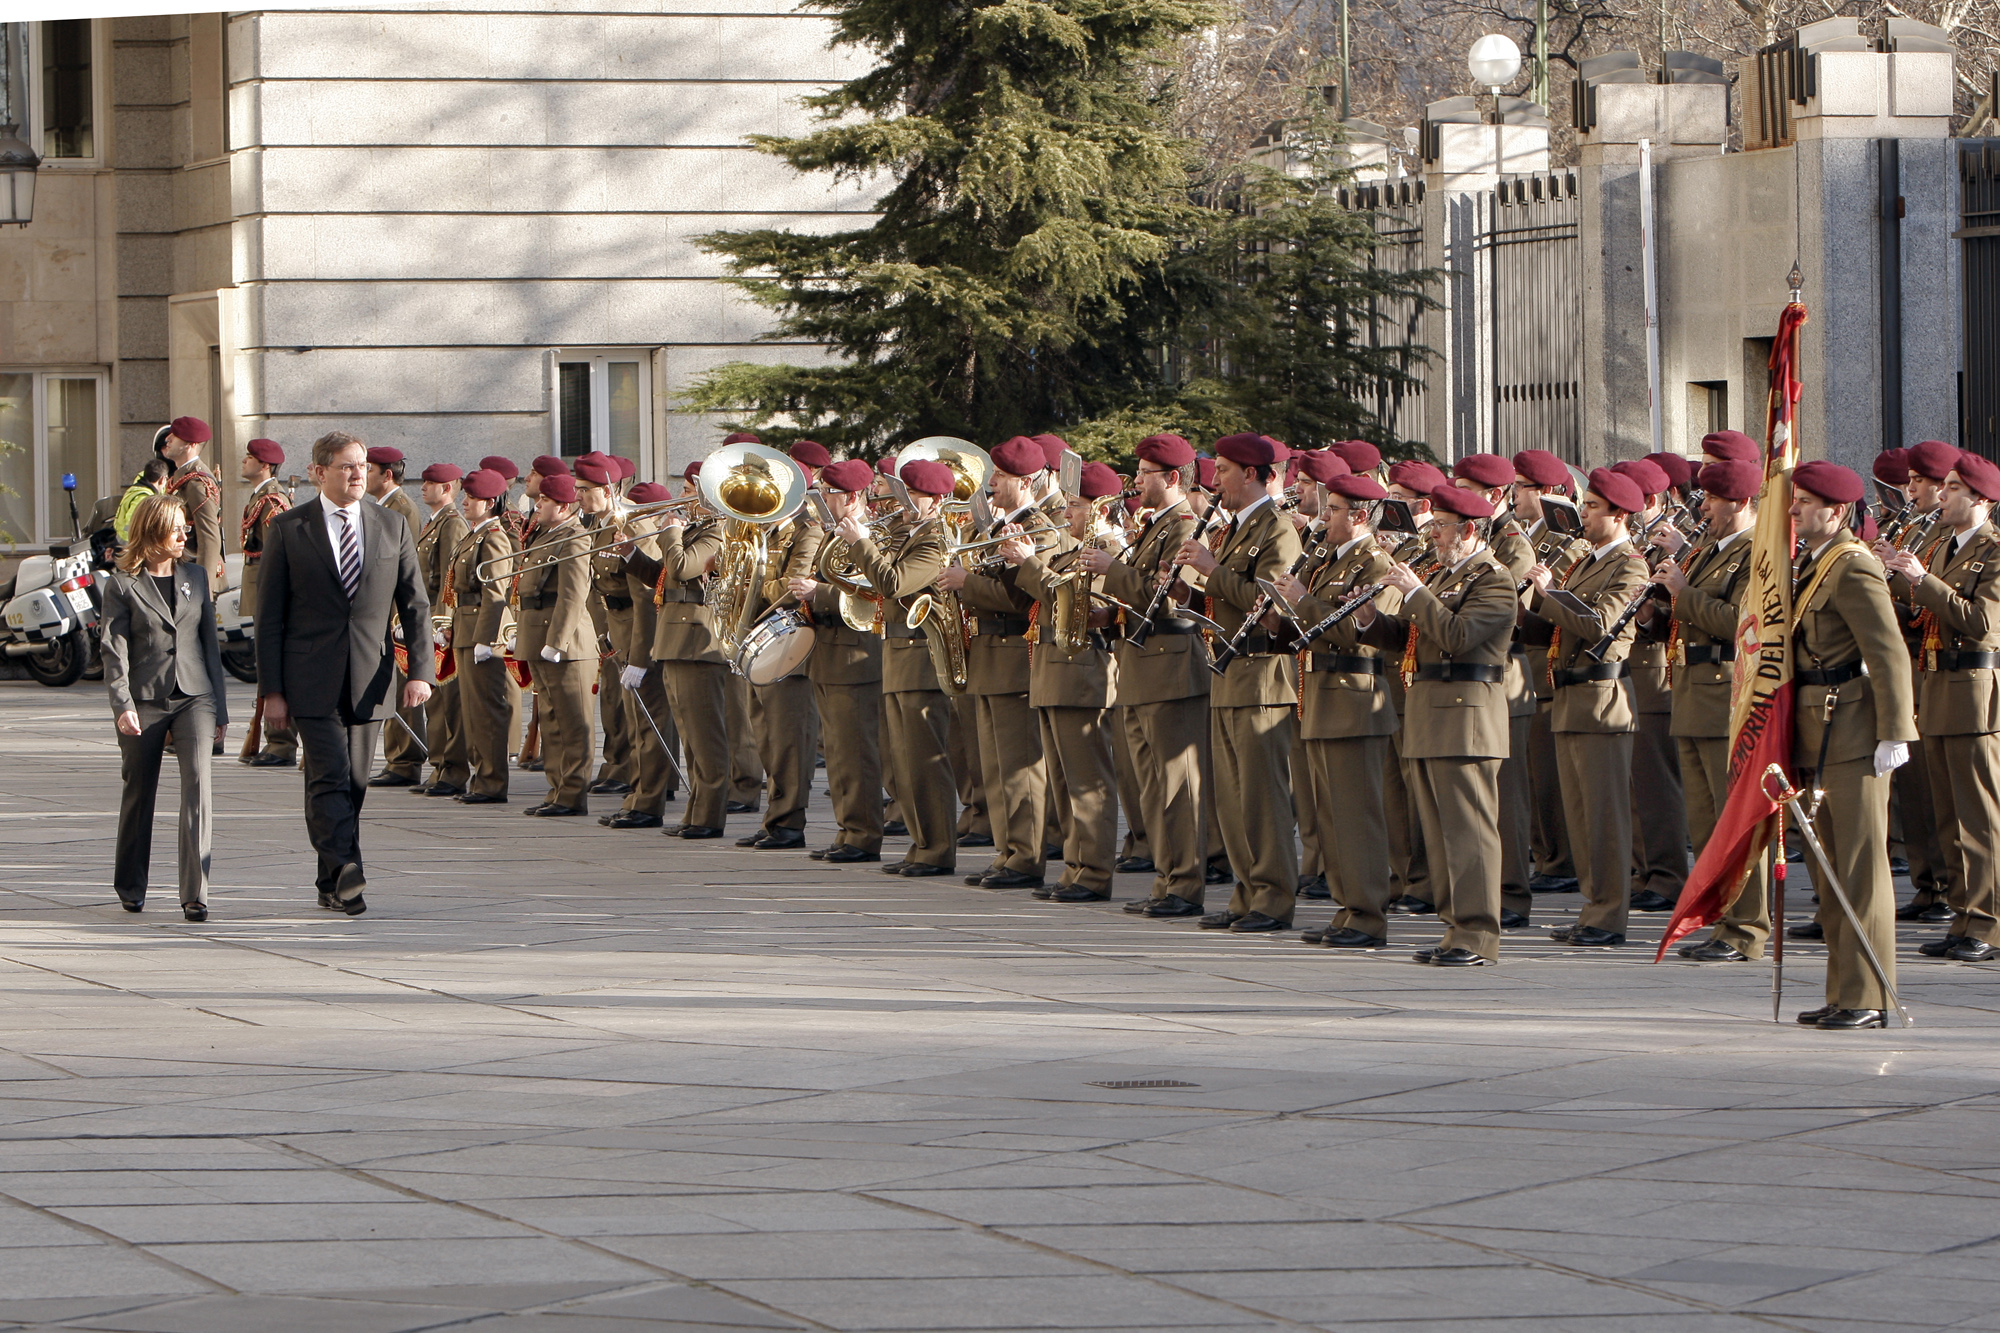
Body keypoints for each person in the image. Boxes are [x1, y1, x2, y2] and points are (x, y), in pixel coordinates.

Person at [253, 430, 435, 917]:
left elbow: (415, 604)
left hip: (369, 678)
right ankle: (348, 870)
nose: (357, 474)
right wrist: (270, 691)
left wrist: (420, 671)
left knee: (353, 782)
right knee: (329, 774)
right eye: (346, 466)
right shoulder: (290, 529)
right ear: (318, 473)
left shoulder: (391, 525)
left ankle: (330, 878)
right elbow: (269, 617)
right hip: (308, 678)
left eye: (361, 465)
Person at [1354, 484, 1519, 965]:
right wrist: (1369, 620)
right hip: (1431, 712)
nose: (1433, 535)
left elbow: (1457, 636)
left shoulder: (1494, 578)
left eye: (1442, 527)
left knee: (1470, 831)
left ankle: (1478, 933)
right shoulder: (1448, 575)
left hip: (1467, 715)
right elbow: (1412, 640)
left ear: (1469, 530)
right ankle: (1455, 928)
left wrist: (1416, 592)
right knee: (1442, 831)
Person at [1786, 461, 1915, 1029]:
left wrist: (1895, 732)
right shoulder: (1813, 565)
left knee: (1861, 868)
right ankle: (1844, 990)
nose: (1792, 511)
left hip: (1856, 731)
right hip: (1819, 729)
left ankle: (1868, 996)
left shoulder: (1852, 567)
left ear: (1835, 512)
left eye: (1804, 503)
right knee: (1831, 869)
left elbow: (1888, 654)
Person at [1177, 433, 1302, 934]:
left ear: (1251, 473)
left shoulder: (1278, 529)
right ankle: (1246, 892)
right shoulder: (1234, 527)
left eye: (1224, 470)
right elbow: (1228, 596)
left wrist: (1210, 569)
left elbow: (1268, 602)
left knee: (1262, 797)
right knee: (1230, 797)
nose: (1216, 479)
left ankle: (1273, 898)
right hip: (1230, 672)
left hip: (1262, 677)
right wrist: (1193, 586)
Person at [1881, 450, 2000, 965]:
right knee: (1947, 817)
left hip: (1974, 695)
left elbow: (1981, 623)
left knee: (1979, 817)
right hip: (1936, 690)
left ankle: (1989, 922)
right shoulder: (1946, 547)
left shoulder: (1993, 551)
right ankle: (1961, 914)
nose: (1942, 494)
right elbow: (1925, 617)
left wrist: (1921, 579)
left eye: (1952, 487)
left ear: (1980, 498)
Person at [1276, 465, 1402, 947]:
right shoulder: (1329, 558)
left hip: (1355, 698)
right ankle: (1348, 909)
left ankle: (1369, 916)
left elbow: (1356, 632)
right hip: (1324, 696)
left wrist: (1303, 601)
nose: (1324, 517)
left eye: (1334, 510)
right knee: (1331, 815)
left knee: (1358, 816)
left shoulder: (1374, 563)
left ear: (1361, 514)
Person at [1523, 467, 1649, 949]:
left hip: (1603, 700)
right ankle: (1592, 908)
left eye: (1593, 507)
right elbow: (1558, 628)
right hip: (1572, 696)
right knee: (1579, 816)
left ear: (1619, 514)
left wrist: (1550, 592)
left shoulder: (1630, 565)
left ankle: (1609, 916)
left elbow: (1599, 626)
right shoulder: (1587, 560)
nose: (1584, 515)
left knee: (1604, 817)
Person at [1652, 460, 1766, 963]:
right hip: (1694, 693)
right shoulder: (1709, 551)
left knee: (1734, 817)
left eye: (1713, 500)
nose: (1704, 508)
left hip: (1727, 695)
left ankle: (1747, 927)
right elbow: (1686, 617)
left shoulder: (1757, 554)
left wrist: (1683, 593)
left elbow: (1745, 623)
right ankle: (1720, 918)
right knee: (1705, 821)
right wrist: (1657, 609)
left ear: (1740, 503)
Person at [1096, 434, 1211, 918]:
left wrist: (1110, 571)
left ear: (1170, 478)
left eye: (1144, 473)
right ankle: (1167, 879)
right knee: (1151, 788)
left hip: (1170, 666)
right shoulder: (1157, 524)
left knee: (1176, 786)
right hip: (1142, 667)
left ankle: (1183, 884)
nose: (1136, 480)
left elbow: (1168, 597)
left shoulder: (1186, 524)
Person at [101, 495, 229, 922]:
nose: (185, 534)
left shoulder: (195, 574)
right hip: (143, 700)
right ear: (153, 529)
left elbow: (210, 646)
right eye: (176, 527)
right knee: (140, 792)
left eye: (186, 527)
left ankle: (196, 894)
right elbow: (113, 652)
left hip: (196, 696)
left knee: (198, 787)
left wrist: (222, 712)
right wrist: (123, 705)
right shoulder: (121, 585)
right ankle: (131, 885)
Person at [945, 436, 1059, 889]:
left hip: (1015, 654)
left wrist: (965, 583)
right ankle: (1008, 850)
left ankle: (1026, 856)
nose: (992, 483)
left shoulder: (1043, 530)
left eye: (1002, 477)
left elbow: (1022, 599)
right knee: (992, 766)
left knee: (1020, 768)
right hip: (988, 656)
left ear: (1026, 482)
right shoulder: (995, 526)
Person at [1005, 460, 1120, 901]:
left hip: (1083, 673)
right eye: (1069, 504)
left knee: (1087, 782)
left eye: (1078, 506)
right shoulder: (1070, 548)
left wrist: (1030, 563)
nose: (1068, 513)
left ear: (1101, 510)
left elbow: (1080, 601)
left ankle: (1093, 872)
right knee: (1065, 782)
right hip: (1054, 670)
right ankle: (1075, 866)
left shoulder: (1109, 548)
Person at [840, 458, 958, 876]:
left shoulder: (935, 541)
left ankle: (938, 848)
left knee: (925, 761)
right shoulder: (908, 535)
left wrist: (861, 542)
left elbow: (893, 582)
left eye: (913, 497)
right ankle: (922, 844)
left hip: (922, 658)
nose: (902, 504)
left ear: (936, 501)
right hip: (897, 655)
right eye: (902, 495)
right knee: (902, 762)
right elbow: (868, 580)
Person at [625, 459, 733, 838]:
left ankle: (709, 815)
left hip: (698, 643)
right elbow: (665, 578)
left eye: (688, 492)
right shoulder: (697, 529)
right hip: (675, 640)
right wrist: (629, 556)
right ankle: (694, 812)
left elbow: (684, 567)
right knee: (690, 736)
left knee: (706, 737)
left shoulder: (718, 532)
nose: (682, 498)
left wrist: (670, 532)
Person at [788, 458, 888, 862]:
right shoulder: (833, 534)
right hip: (828, 652)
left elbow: (872, 594)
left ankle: (864, 834)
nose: (822, 500)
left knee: (856, 752)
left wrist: (820, 593)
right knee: (837, 753)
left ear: (852, 497)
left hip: (856, 657)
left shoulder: (872, 535)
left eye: (829, 493)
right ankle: (848, 830)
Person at [733, 443, 826, 850]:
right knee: (765, 737)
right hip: (758, 641)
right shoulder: (761, 531)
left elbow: (792, 586)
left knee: (789, 739)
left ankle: (790, 821)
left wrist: (747, 581)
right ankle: (775, 817)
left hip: (790, 644)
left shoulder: (809, 529)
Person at [511, 471, 597, 816]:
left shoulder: (574, 537)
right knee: (550, 718)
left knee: (572, 721)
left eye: (544, 500)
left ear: (562, 507)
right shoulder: (546, 534)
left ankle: (573, 793)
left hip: (566, 643)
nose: (538, 504)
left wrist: (557, 642)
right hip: (538, 633)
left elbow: (573, 595)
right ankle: (557, 788)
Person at [449, 467, 518, 804]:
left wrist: (486, 638)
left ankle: (492, 781)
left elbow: (495, 592)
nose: (465, 502)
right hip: (465, 626)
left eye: (471, 498)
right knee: (473, 710)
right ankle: (481, 777)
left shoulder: (494, 537)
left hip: (481, 628)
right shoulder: (474, 534)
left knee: (488, 710)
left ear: (489, 502)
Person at [367, 446, 428, 787]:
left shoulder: (401, 508)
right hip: (383, 612)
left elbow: (406, 568)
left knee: (403, 686)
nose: (363, 475)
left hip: (395, 613)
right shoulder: (382, 506)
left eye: (369, 468)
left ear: (386, 474)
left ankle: (405, 760)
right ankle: (396, 758)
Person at [411, 463, 470, 797]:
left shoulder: (451, 524)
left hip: (440, 617)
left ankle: (454, 769)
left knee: (450, 700)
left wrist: (443, 620)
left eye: (431, 483)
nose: (424, 487)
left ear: (449, 487)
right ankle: (439, 766)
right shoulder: (433, 524)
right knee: (433, 700)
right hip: (427, 616)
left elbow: (449, 577)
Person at [238, 438, 298, 767]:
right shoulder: (260, 496)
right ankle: (275, 742)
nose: (243, 461)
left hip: (269, 590)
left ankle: (281, 743)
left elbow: (278, 552)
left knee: (274, 668)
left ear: (265, 465)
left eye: (249, 458)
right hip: (260, 588)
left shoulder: (272, 500)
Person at [159, 417, 225, 597]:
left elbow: (209, 538)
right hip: (180, 571)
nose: (168, 439)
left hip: (192, 574)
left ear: (190, 445)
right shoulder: (181, 477)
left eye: (176, 436)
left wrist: (203, 588)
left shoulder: (196, 483)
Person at [114, 457, 174, 545]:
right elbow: (132, 523)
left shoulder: (136, 488)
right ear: (162, 479)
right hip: (130, 544)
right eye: (166, 479)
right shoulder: (144, 498)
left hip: (124, 540)